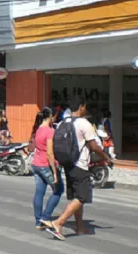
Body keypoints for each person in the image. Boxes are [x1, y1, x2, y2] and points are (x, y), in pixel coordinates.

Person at [41, 98, 111, 240]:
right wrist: (106, 157)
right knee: (82, 196)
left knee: (75, 196)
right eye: (85, 106)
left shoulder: (62, 123)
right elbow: (93, 146)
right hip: (80, 164)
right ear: (81, 107)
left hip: (68, 164)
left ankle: (80, 227)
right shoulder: (83, 123)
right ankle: (58, 223)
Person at [30, 107, 64, 230]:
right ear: (50, 117)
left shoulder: (38, 129)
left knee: (39, 193)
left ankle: (38, 221)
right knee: (58, 190)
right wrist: (55, 172)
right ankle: (45, 217)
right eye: (54, 117)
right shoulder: (50, 131)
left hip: (36, 165)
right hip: (46, 165)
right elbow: (50, 153)